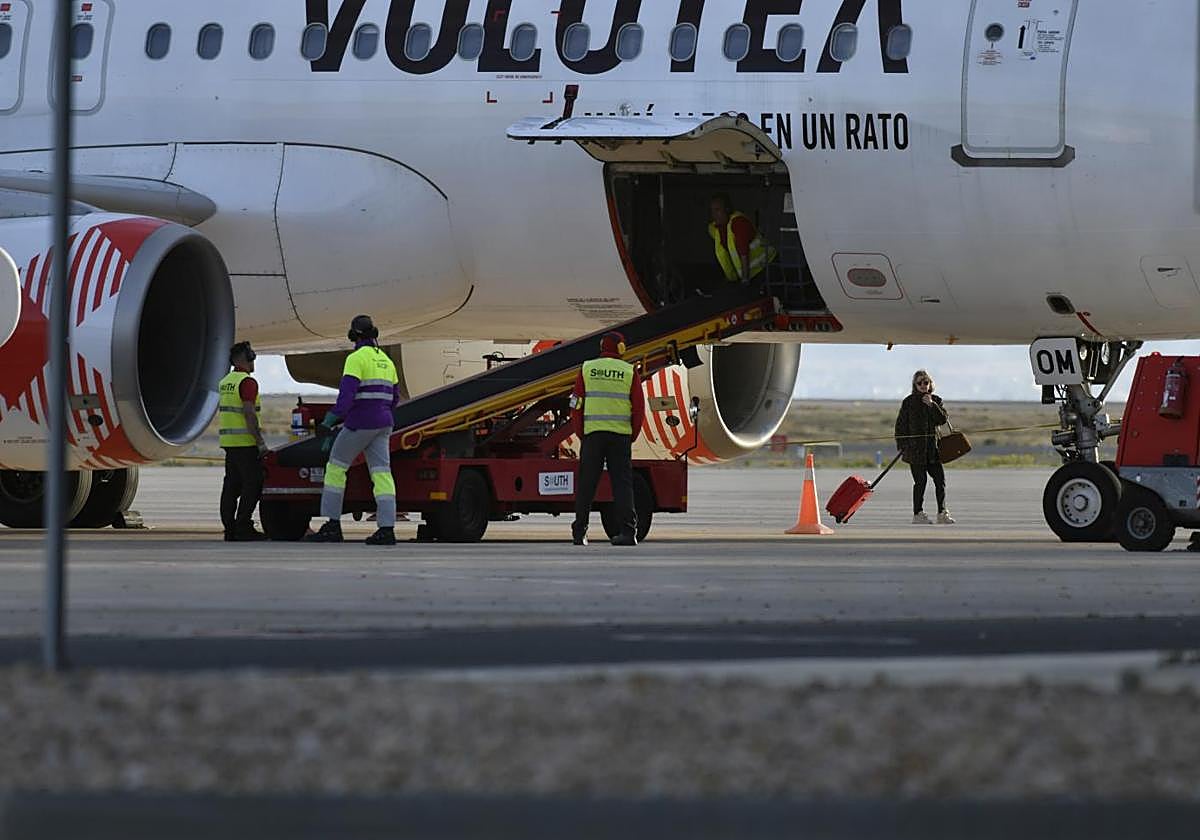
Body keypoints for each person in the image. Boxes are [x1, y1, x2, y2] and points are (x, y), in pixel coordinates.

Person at [306, 315, 401, 546]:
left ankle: (332, 525)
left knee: (336, 468)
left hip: (360, 423)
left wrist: (328, 422)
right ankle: (387, 529)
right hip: (384, 423)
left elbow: (345, 399)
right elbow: (395, 398)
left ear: (354, 335)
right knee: (382, 474)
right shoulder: (386, 361)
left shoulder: (355, 359)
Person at [570, 331, 646, 546]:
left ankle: (580, 532)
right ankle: (628, 532)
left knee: (586, 484)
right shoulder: (629, 371)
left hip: (593, 435)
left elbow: (576, 403)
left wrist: (580, 431)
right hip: (620, 436)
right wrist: (633, 434)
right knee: (622, 485)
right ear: (621, 349)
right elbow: (638, 408)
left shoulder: (587, 368)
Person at [218, 341, 267, 541]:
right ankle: (243, 526)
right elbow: (248, 413)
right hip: (246, 444)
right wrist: (260, 442)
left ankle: (230, 528)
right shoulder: (247, 382)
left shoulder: (225, 381)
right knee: (253, 484)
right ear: (246, 358)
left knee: (231, 486)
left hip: (230, 443)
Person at [895, 369, 955, 525]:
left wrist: (932, 405)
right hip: (915, 451)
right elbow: (900, 426)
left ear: (930, 384)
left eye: (926, 382)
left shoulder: (936, 400)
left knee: (940, 481)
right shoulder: (908, 402)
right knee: (920, 483)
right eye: (920, 382)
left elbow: (942, 420)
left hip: (933, 450)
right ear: (915, 385)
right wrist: (903, 446)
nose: (923, 385)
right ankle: (918, 513)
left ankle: (942, 513)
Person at [707, 193, 778, 286]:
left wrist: (745, 280)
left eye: (717, 210)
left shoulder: (738, 223)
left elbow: (744, 253)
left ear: (727, 209)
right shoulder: (717, 228)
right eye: (712, 211)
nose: (714, 215)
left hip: (768, 267)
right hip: (752, 272)